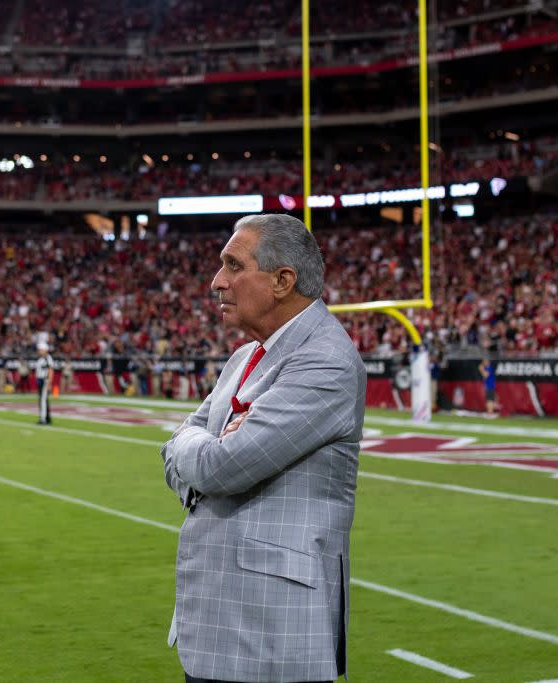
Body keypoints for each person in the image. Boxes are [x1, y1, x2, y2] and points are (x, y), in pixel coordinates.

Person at [161, 213, 366, 683]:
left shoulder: (325, 362)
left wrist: (197, 449)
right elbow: (175, 452)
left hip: (272, 631)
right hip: (219, 621)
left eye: (233, 266)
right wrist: (197, 446)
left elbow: (219, 469)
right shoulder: (244, 356)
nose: (217, 282)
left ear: (282, 280)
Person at [34, 342, 54, 425]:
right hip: (40, 381)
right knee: (43, 400)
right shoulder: (41, 359)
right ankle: (47, 418)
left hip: (44, 381)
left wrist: (49, 382)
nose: (39, 351)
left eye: (40, 350)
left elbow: (50, 371)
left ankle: (43, 419)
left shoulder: (47, 358)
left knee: (43, 400)